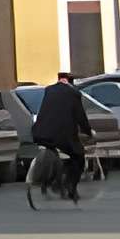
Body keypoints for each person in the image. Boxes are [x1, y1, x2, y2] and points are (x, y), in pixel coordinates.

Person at [30, 71, 91, 199]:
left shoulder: (49, 90)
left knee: (55, 151)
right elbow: (80, 116)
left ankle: (51, 181)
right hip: (60, 135)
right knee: (78, 156)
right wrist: (88, 132)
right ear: (71, 82)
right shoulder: (73, 93)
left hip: (40, 133)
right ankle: (71, 188)